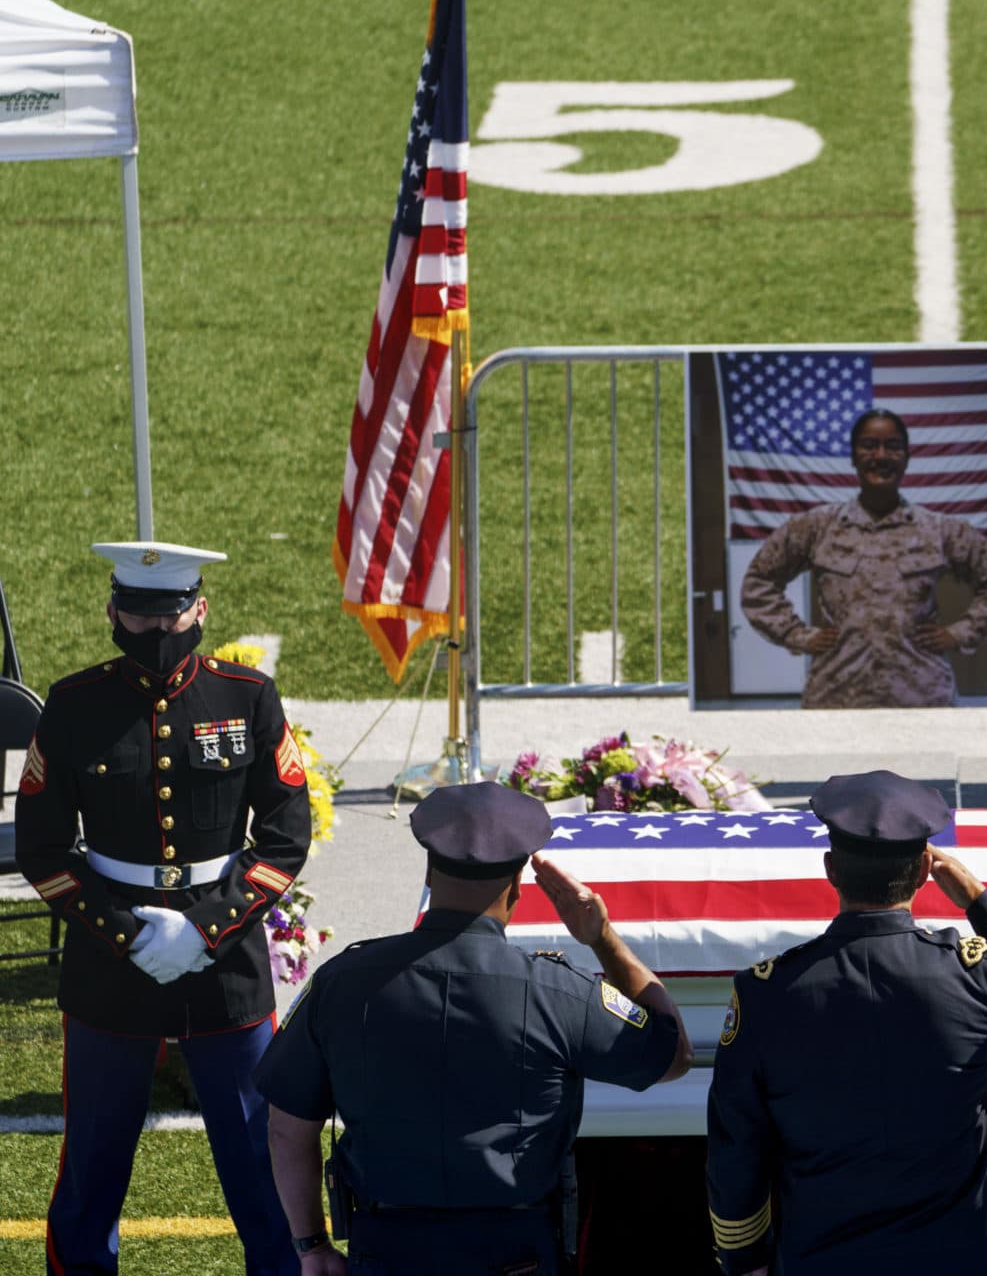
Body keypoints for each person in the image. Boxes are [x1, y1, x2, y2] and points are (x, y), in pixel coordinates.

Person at [252, 782, 692, 1274]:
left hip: (387, 1251)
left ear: (428, 870)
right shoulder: (561, 992)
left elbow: (287, 1129)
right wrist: (603, 939)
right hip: (517, 1254)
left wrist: (312, 1247)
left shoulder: (341, 983)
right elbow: (673, 1057)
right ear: (518, 885)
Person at [17, 541, 310, 1275]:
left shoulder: (248, 697)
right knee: (93, 1161)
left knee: (261, 1157)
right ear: (113, 611)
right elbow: (44, 850)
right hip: (109, 968)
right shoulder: (75, 705)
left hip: (227, 965)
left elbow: (284, 836)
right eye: (141, 617)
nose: (156, 633)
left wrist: (204, 928)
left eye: (172, 616)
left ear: (200, 610)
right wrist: (128, 933)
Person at [704, 770, 987, 1274]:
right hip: (965, 1253)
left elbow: (736, 1146)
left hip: (825, 1256)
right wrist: (982, 904)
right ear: (927, 869)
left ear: (830, 868)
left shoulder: (764, 993)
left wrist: (744, 1257)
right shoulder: (977, 971)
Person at [738, 407, 987, 708]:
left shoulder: (938, 530)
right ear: (853, 457)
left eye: (893, 446)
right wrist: (798, 635)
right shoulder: (818, 527)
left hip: (921, 698)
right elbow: (758, 582)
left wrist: (959, 634)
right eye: (869, 446)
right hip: (837, 697)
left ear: (907, 458)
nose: (881, 456)